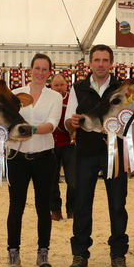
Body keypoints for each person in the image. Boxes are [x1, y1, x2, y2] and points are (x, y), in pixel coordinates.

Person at [65, 44, 130, 267]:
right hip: (85, 153)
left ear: (111, 63)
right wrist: (70, 123)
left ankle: (118, 255)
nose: (101, 64)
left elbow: (131, 119)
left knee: (117, 204)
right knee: (82, 203)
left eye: (105, 60)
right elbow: (67, 120)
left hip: (115, 153)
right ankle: (80, 254)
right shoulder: (77, 88)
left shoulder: (122, 88)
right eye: (97, 60)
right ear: (90, 63)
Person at [5, 54, 63, 267]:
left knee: (43, 206)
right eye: (37, 68)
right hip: (17, 158)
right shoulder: (14, 94)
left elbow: (52, 125)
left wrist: (30, 130)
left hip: (44, 158)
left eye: (44, 69)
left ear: (49, 72)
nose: (40, 72)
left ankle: (43, 251)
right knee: (16, 206)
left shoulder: (55, 97)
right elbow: (7, 121)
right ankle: (13, 251)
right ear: (30, 70)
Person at [49, 73, 76, 221]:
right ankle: (55, 210)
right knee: (52, 180)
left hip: (70, 144)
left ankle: (71, 209)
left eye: (62, 85)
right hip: (52, 143)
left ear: (67, 85)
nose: (59, 88)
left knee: (73, 181)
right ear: (51, 86)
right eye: (56, 85)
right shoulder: (48, 99)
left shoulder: (72, 99)